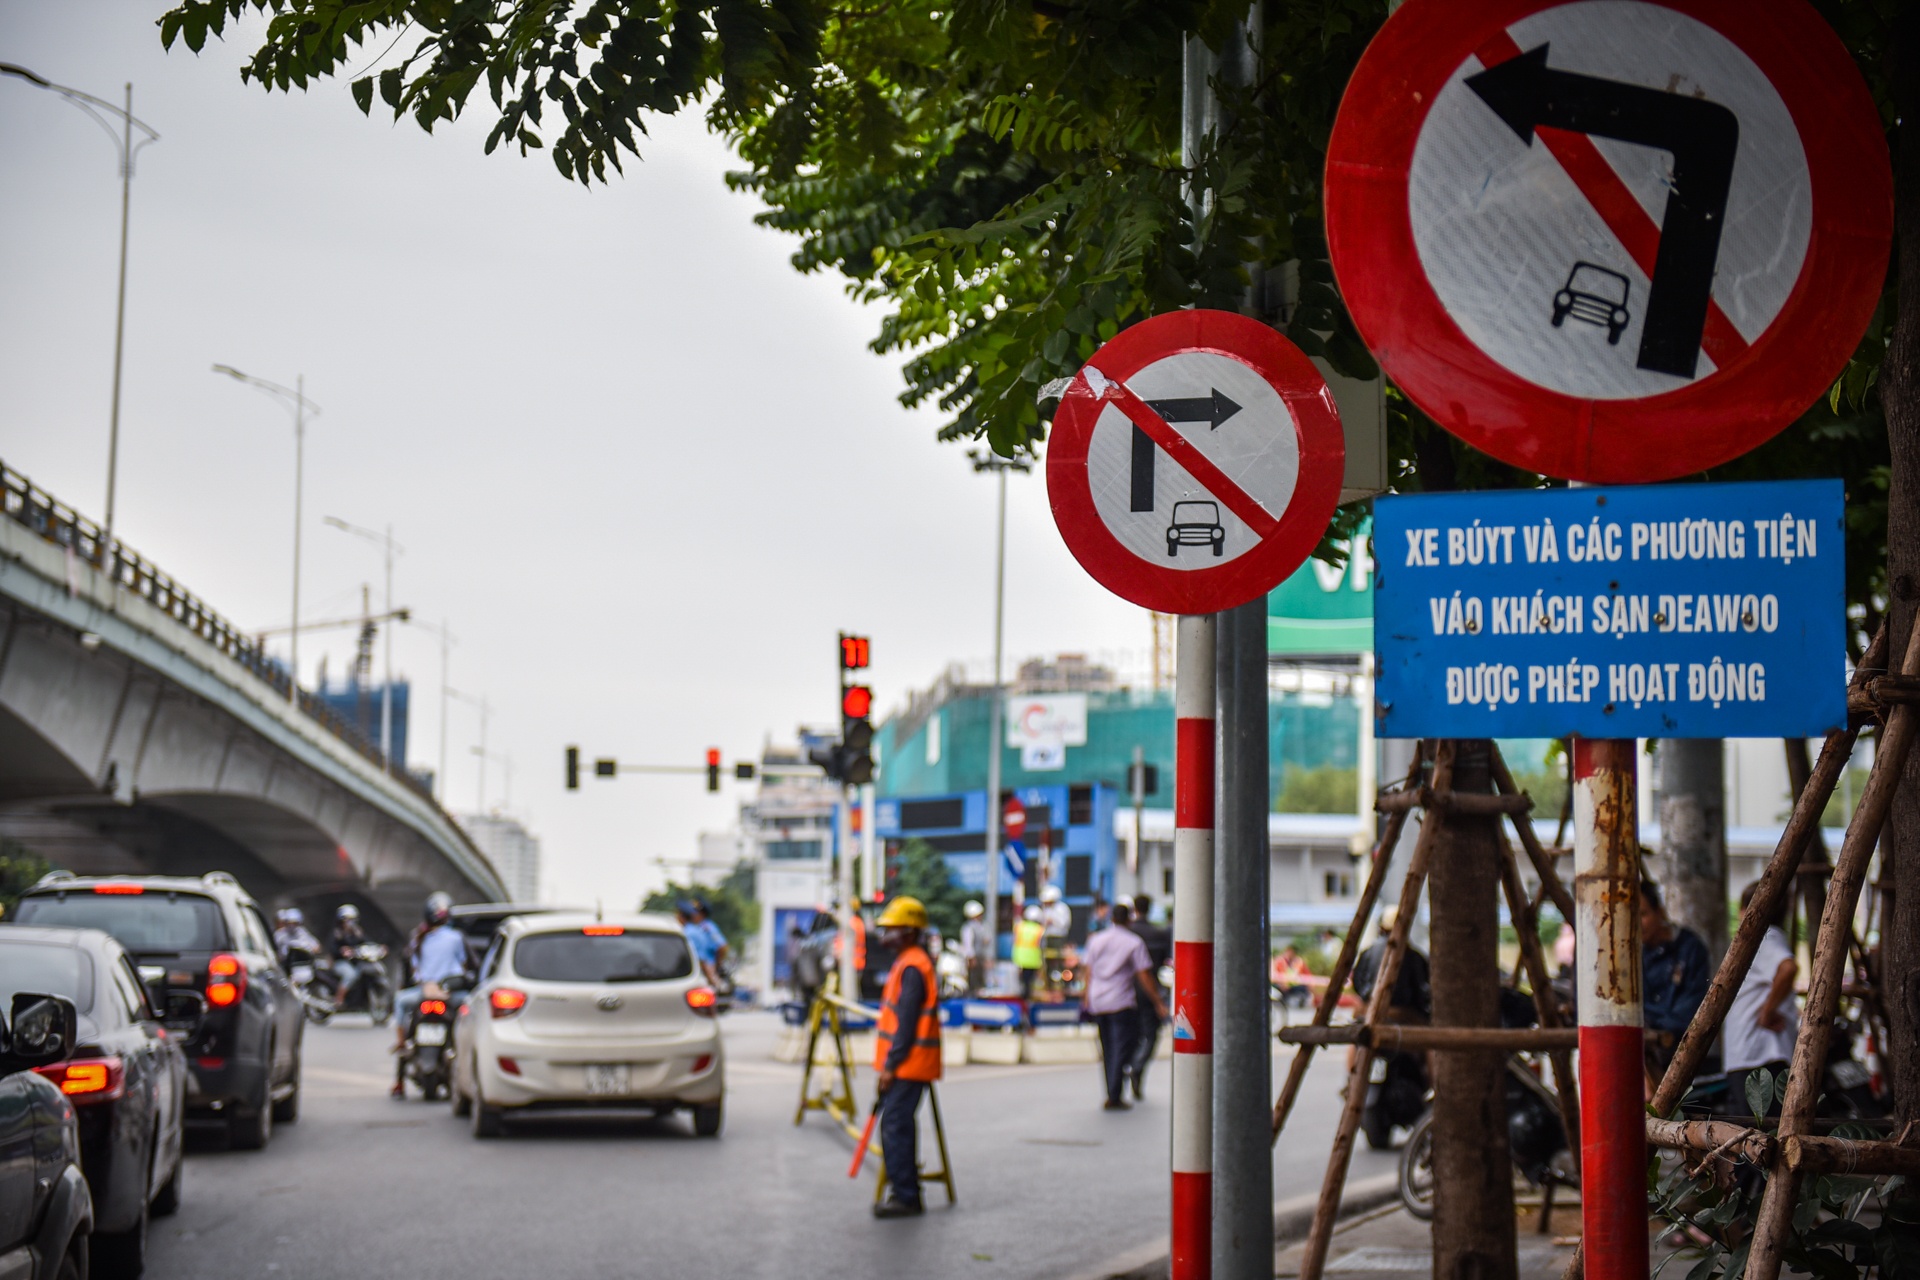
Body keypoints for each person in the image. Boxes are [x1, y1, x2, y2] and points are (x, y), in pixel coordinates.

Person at [871, 895, 942, 1219]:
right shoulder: (908, 962)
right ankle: (906, 1187)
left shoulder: (913, 966)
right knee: (897, 1123)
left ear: (911, 932)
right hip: (908, 1062)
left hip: (909, 1063)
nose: (887, 935)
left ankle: (907, 1195)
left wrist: (891, 1066)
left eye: (894, 929)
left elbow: (907, 1025)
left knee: (895, 1124)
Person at [1081, 901, 1167, 1111]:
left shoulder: (1096, 940)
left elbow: (1088, 971)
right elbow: (1144, 974)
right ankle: (1115, 1093)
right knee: (1123, 1046)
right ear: (1129, 919)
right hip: (1121, 1001)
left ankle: (1112, 1092)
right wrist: (1158, 1001)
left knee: (1108, 1047)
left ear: (1112, 919)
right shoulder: (1133, 942)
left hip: (1099, 1001)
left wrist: (1086, 997)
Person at [1725, 880, 1799, 1115]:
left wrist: (1767, 1013)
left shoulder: (1766, 936)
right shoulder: (1761, 939)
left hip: (1760, 1054)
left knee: (1760, 1136)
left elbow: (1787, 968)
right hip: (1756, 1054)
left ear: (1748, 910)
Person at [393, 893, 467, 1097]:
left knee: (400, 1004)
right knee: (470, 1008)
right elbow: (463, 965)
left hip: (423, 993)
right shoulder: (456, 938)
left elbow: (413, 970)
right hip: (448, 994)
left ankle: (398, 1073)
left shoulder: (418, 937)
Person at [1641, 878, 1711, 1085]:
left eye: (1643, 914)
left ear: (1659, 912)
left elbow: (1690, 1010)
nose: (1635, 923)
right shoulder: (1631, 953)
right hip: (1644, 1056)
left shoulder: (1690, 948)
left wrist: (1654, 1024)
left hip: (1685, 1055)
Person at [1126, 893, 1172, 1100]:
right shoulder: (1158, 934)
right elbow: (1164, 962)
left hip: (1127, 991)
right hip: (1151, 989)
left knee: (1131, 1035)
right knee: (1151, 1035)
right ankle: (1137, 1067)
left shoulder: (1127, 932)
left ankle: (1131, 1067)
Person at [681, 900, 731, 988]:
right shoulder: (696, 928)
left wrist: (717, 965)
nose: (692, 915)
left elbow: (722, 946)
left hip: (707, 968)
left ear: (701, 914)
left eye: (695, 912)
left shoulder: (707, 927)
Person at [331, 903, 368, 1006]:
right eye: (347, 919)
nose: (350, 922)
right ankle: (339, 998)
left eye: (352, 919)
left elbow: (365, 942)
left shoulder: (357, 932)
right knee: (351, 975)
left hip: (356, 961)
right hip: (340, 962)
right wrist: (342, 951)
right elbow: (332, 949)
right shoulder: (337, 933)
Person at [1013, 904, 1046, 1001]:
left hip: (1019, 960)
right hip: (1033, 961)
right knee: (1031, 985)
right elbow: (1042, 946)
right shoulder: (1039, 930)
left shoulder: (1019, 927)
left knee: (1021, 984)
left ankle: (1022, 1002)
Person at [959, 900, 990, 994]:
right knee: (973, 978)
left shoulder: (982, 926)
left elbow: (986, 939)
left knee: (981, 978)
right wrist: (971, 957)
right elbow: (968, 944)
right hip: (973, 957)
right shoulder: (968, 927)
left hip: (980, 955)